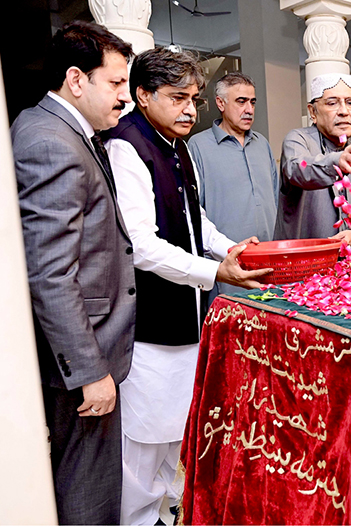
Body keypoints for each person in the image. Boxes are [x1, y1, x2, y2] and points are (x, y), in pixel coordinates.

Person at [103, 48, 271, 525]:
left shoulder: (176, 144)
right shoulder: (127, 145)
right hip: (150, 323)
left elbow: (194, 220)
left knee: (179, 429)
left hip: (187, 316)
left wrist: (233, 248)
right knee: (144, 441)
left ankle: (171, 512)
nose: (190, 110)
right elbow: (141, 244)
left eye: (194, 98)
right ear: (143, 95)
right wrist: (215, 272)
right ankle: (137, 518)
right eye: (178, 98)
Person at [11, 21, 135, 525]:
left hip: (86, 350)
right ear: (76, 79)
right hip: (79, 362)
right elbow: (49, 272)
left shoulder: (64, 132)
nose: (125, 97)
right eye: (117, 83)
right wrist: (89, 371)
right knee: (88, 493)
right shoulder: (52, 142)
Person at [188, 72, 278, 298]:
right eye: (241, 101)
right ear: (220, 103)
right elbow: (194, 211)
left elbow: (275, 197)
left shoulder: (262, 144)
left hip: (268, 265)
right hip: (226, 270)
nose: (249, 109)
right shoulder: (197, 146)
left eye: (252, 102)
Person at [274, 73, 351, 245]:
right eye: (332, 103)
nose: (344, 111)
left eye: (350, 102)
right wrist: (337, 162)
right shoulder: (298, 140)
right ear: (312, 112)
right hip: (304, 265)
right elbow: (299, 170)